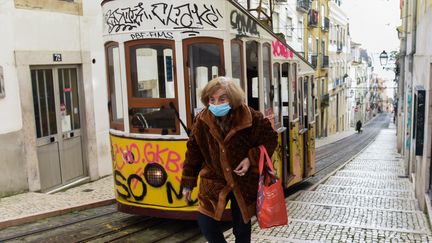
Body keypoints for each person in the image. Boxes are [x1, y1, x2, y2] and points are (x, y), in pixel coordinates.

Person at [181, 77, 278, 243]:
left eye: (222, 99)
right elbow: (193, 152)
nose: (216, 104)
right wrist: (188, 184)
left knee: (241, 230)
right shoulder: (202, 120)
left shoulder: (251, 117)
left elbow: (271, 139)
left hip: (243, 181)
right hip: (213, 179)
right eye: (212, 99)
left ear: (232, 99)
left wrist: (250, 159)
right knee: (206, 222)